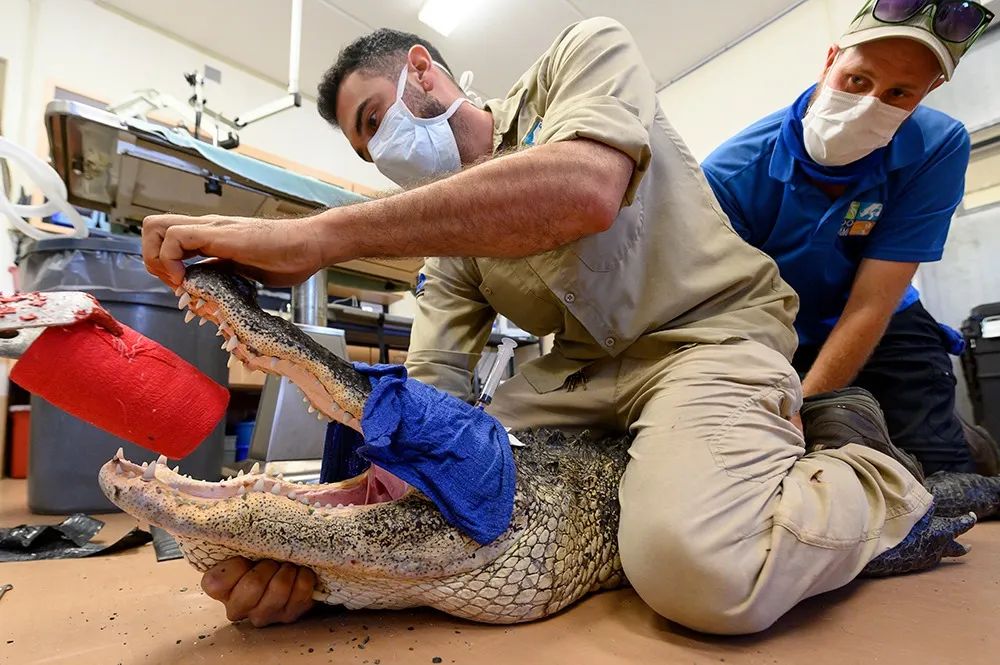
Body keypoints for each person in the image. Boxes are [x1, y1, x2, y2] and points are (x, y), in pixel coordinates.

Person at [142, 18, 965, 634]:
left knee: (702, 574)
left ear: (422, 71)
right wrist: (317, 553)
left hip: (710, 339)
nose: (378, 149)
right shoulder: (451, 241)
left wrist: (318, 235)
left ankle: (864, 465)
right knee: (458, 480)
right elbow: (429, 399)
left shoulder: (584, 54)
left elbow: (584, 190)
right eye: (365, 148)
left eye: (371, 119)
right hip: (578, 378)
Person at [702, 0, 999, 477]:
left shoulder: (938, 145)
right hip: (778, 328)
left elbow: (872, 304)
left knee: (944, 475)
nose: (869, 105)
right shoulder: (730, 175)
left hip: (882, 315)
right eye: (857, 80)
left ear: (930, 92)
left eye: (899, 93)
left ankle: (955, 438)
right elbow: (727, 313)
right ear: (830, 61)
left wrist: (813, 402)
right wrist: (791, 415)